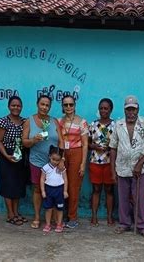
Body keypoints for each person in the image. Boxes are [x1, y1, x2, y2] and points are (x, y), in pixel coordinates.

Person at [110, 95, 144, 238]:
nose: (131, 113)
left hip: (140, 169)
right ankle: (124, 223)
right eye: (128, 110)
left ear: (138, 110)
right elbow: (113, 148)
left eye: (133, 110)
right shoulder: (118, 124)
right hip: (122, 167)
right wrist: (112, 171)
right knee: (123, 197)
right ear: (124, 110)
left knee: (139, 198)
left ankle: (143, 225)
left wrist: (140, 164)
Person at [22, 95, 63, 229]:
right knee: (38, 189)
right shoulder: (29, 121)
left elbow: (61, 141)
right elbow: (24, 142)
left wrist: (62, 159)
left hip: (54, 163)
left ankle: (52, 220)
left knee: (55, 189)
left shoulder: (54, 121)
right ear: (37, 104)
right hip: (37, 162)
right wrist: (33, 140)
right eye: (42, 104)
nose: (44, 107)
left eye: (47, 105)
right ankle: (37, 217)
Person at [0, 96, 28, 226]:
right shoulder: (3, 121)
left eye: (18, 106)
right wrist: (6, 155)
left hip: (20, 155)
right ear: (9, 106)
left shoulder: (25, 122)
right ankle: (10, 214)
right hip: (7, 155)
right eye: (13, 105)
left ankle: (16, 212)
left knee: (18, 185)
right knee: (8, 184)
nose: (16, 108)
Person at [58, 94, 89, 229]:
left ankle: (72, 217)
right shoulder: (59, 121)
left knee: (73, 187)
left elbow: (85, 144)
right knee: (60, 184)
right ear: (62, 107)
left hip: (77, 153)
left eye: (71, 104)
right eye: (66, 105)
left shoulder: (82, 122)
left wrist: (83, 163)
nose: (68, 107)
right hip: (62, 154)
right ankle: (61, 215)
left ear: (75, 106)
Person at [88, 98, 116, 227]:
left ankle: (110, 216)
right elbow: (87, 144)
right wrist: (95, 147)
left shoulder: (116, 125)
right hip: (95, 161)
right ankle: (94, 216)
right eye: (101, 108)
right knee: (96, 189)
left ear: (111, 110)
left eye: (106, 108)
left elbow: (119, 144)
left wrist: (110, 147)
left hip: (110, 162)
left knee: (109, 190)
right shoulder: (93, 124)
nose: (103, 111)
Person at [41, 146, 69, 234]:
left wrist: (65, 191)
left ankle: (59, 224)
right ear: (49, 156)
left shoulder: (61, 168)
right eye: (53, 159)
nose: (55, 162)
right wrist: (43, 191)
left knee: (59, 209)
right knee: (48, 208)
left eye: (57, 160)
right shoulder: (45, 167)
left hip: (59, 190)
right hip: (49, 190)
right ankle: (48, 224)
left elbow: (65, 179)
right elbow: (42, 179)